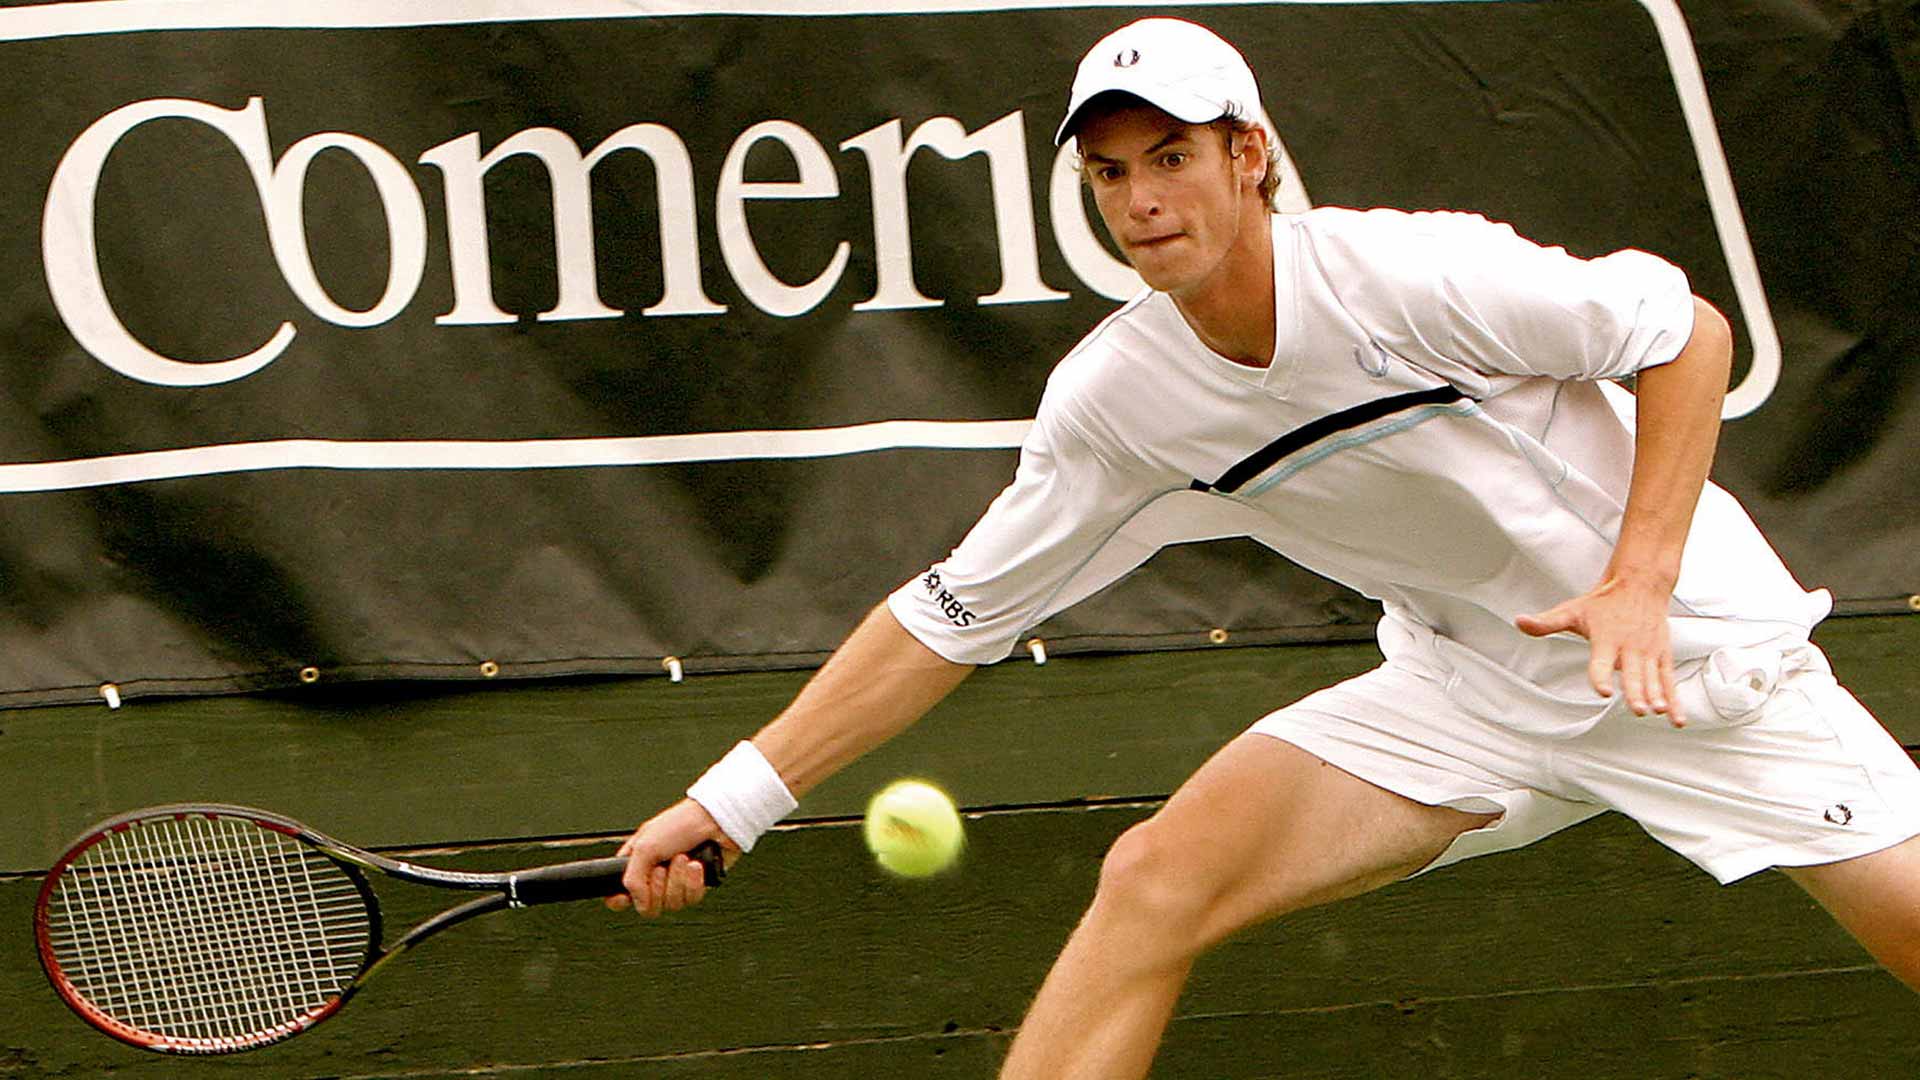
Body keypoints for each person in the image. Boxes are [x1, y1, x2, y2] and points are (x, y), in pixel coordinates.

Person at [608, 16, 1920, 1077]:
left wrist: (1637, 582)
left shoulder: (1409, 277)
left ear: (1248, 156)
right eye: (1110, 173)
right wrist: (734, 802)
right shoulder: (1117, 400)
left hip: (1683, 664)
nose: (1140, 199)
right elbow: (951, 617)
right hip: (1468, 687)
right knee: (1154, 881)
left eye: (1171, 156)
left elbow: (1686, 334)